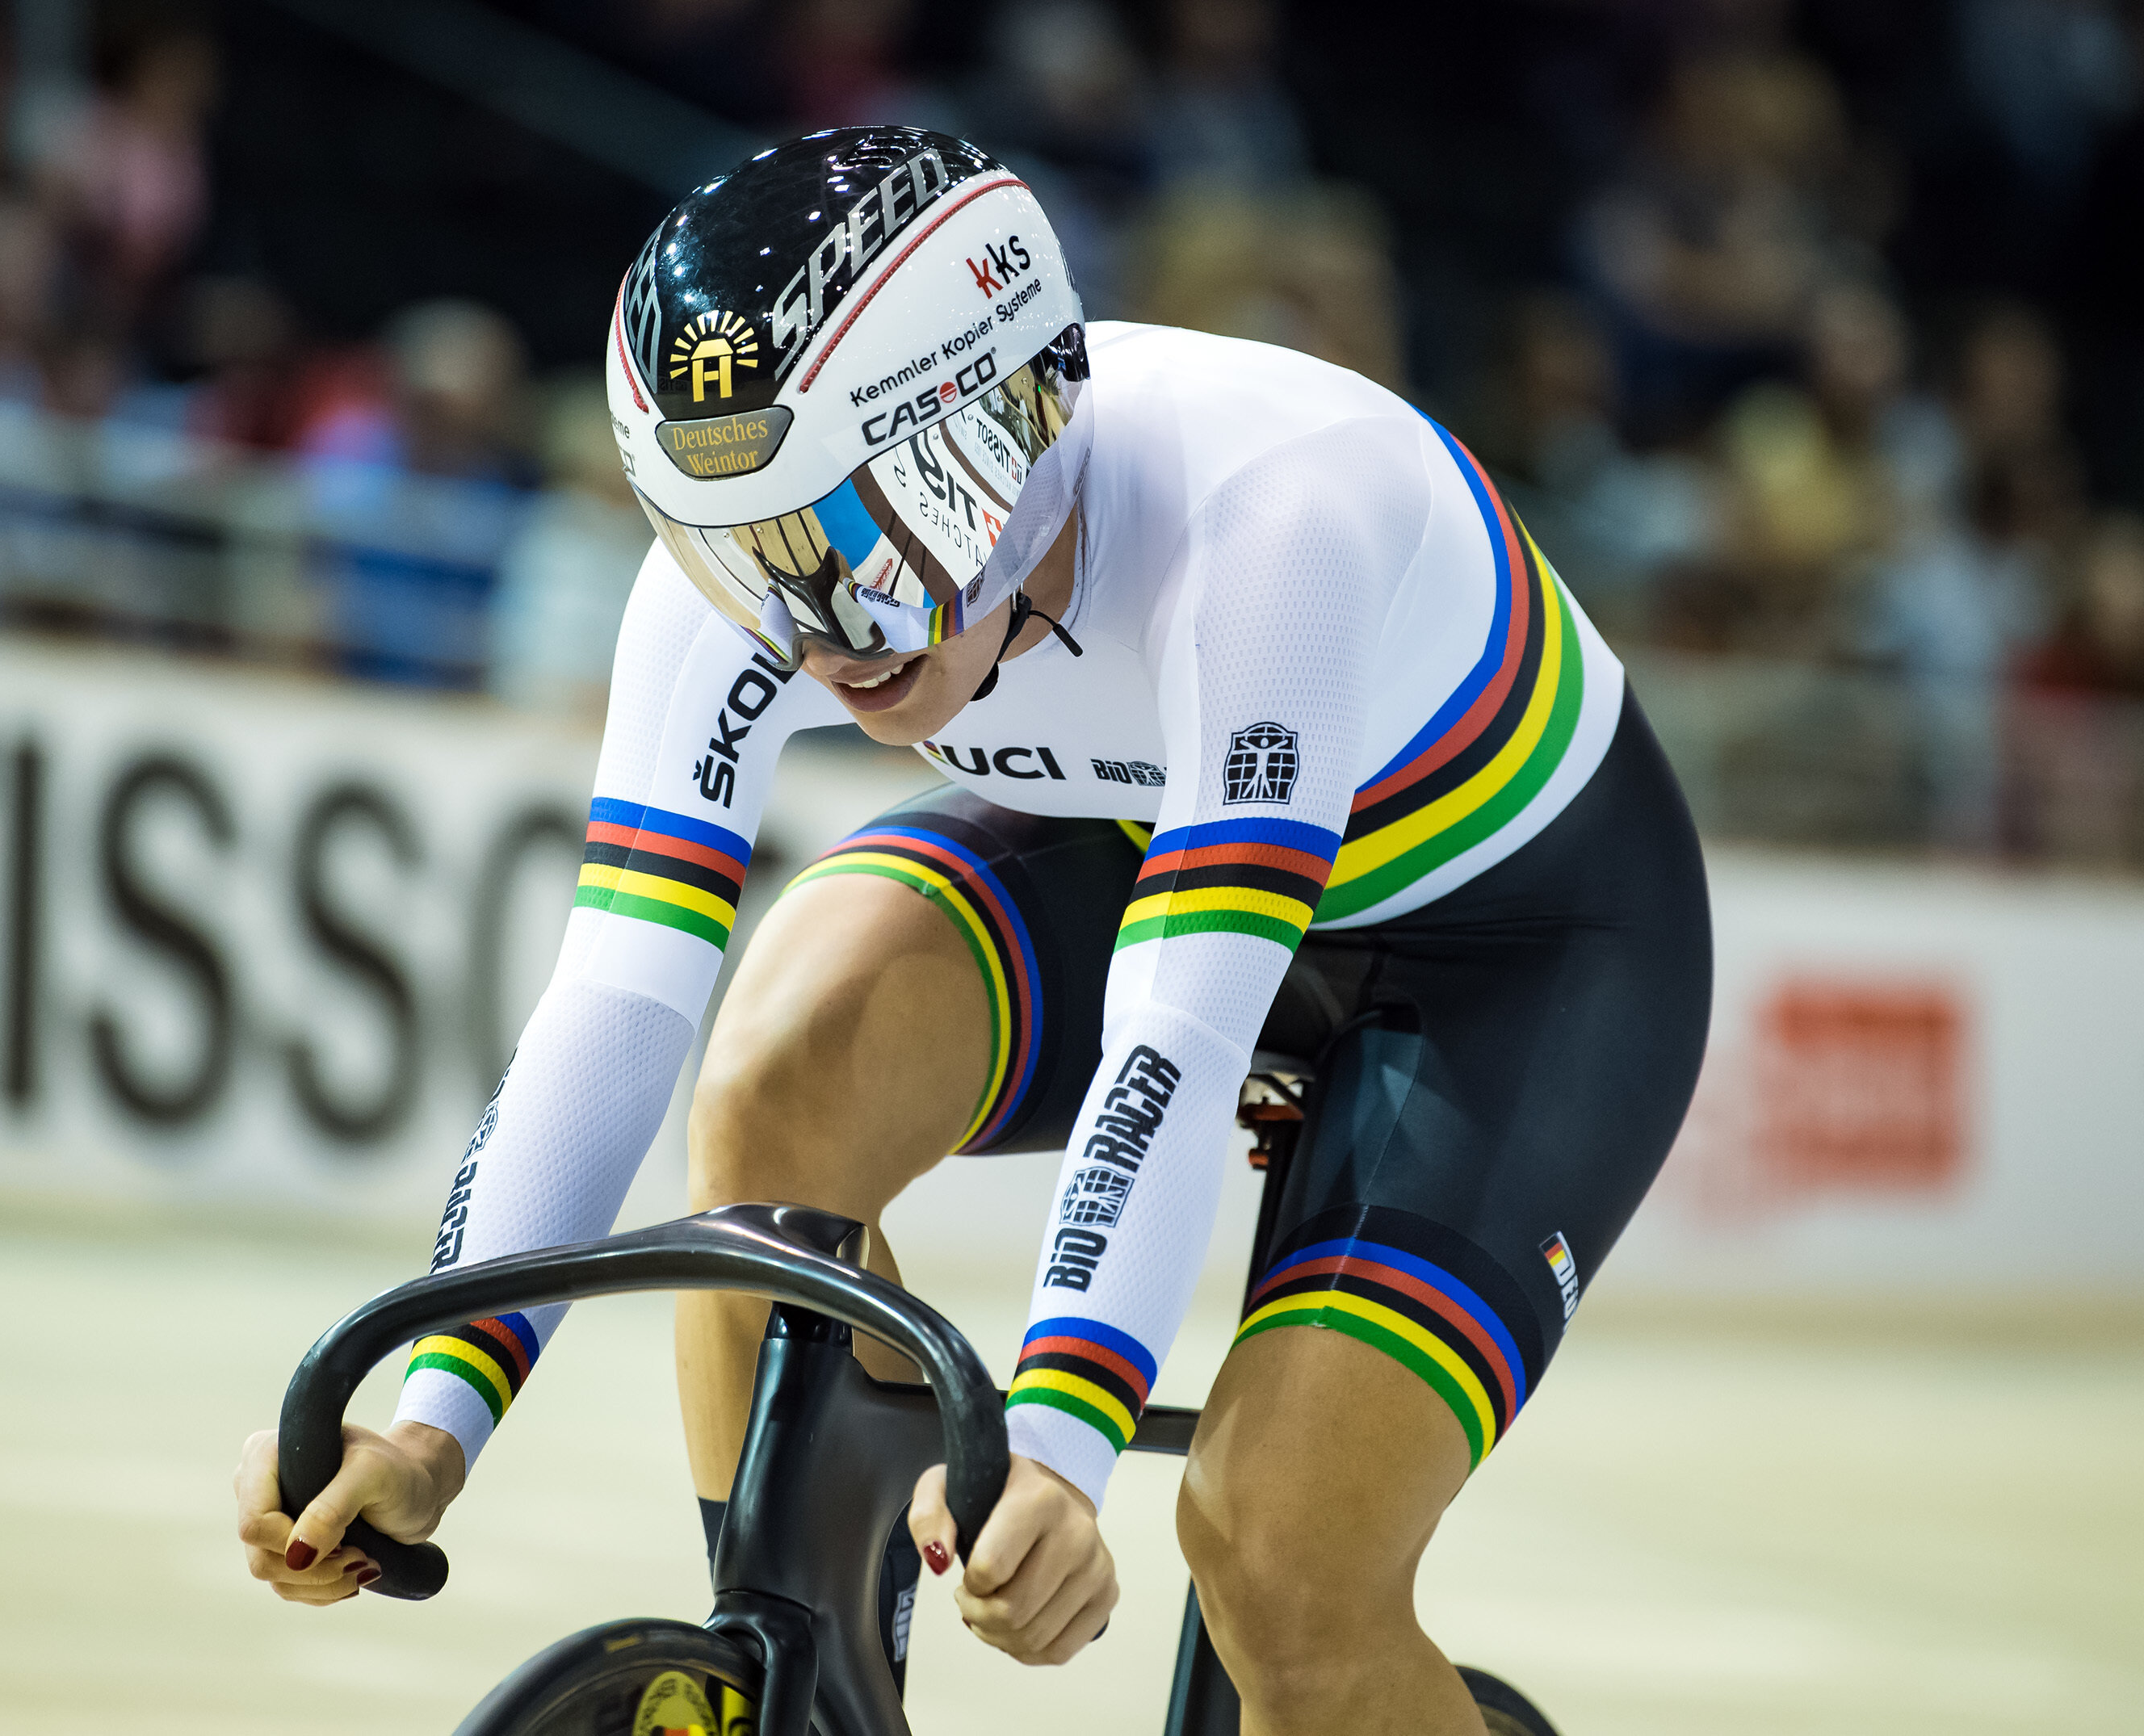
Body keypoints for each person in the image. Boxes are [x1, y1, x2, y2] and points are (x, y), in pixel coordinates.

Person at [233, 128, 1711, 1734]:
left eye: (854, 555)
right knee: (781, 1066)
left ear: (1011, 422)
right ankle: (813, 1676)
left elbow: (1183, 1028)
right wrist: (433, 1420)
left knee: (1277, 1555)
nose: (815, 638)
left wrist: (1066, 1442)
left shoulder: (1271, 519)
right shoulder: (788, 551)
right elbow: (616, 1000)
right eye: (735, 560)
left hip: (1517, 949)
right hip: (1150, 838)